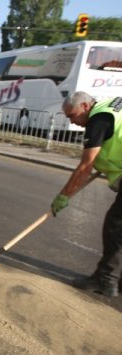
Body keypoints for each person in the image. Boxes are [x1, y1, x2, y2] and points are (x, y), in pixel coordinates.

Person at [51, 91, 122, 298]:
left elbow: (85, 167)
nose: (73, 122)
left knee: (115, 228)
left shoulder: (99, 119)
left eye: (72, 116)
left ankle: (105, 280)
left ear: (84, 106)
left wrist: (64, 196)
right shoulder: (111, 105)